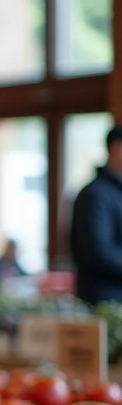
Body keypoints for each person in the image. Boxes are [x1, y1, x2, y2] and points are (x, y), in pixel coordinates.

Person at [70, 126, 122, 303]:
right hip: (105, 302)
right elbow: (99, 253)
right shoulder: (96, 195)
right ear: (116, 149)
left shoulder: (114, 192)